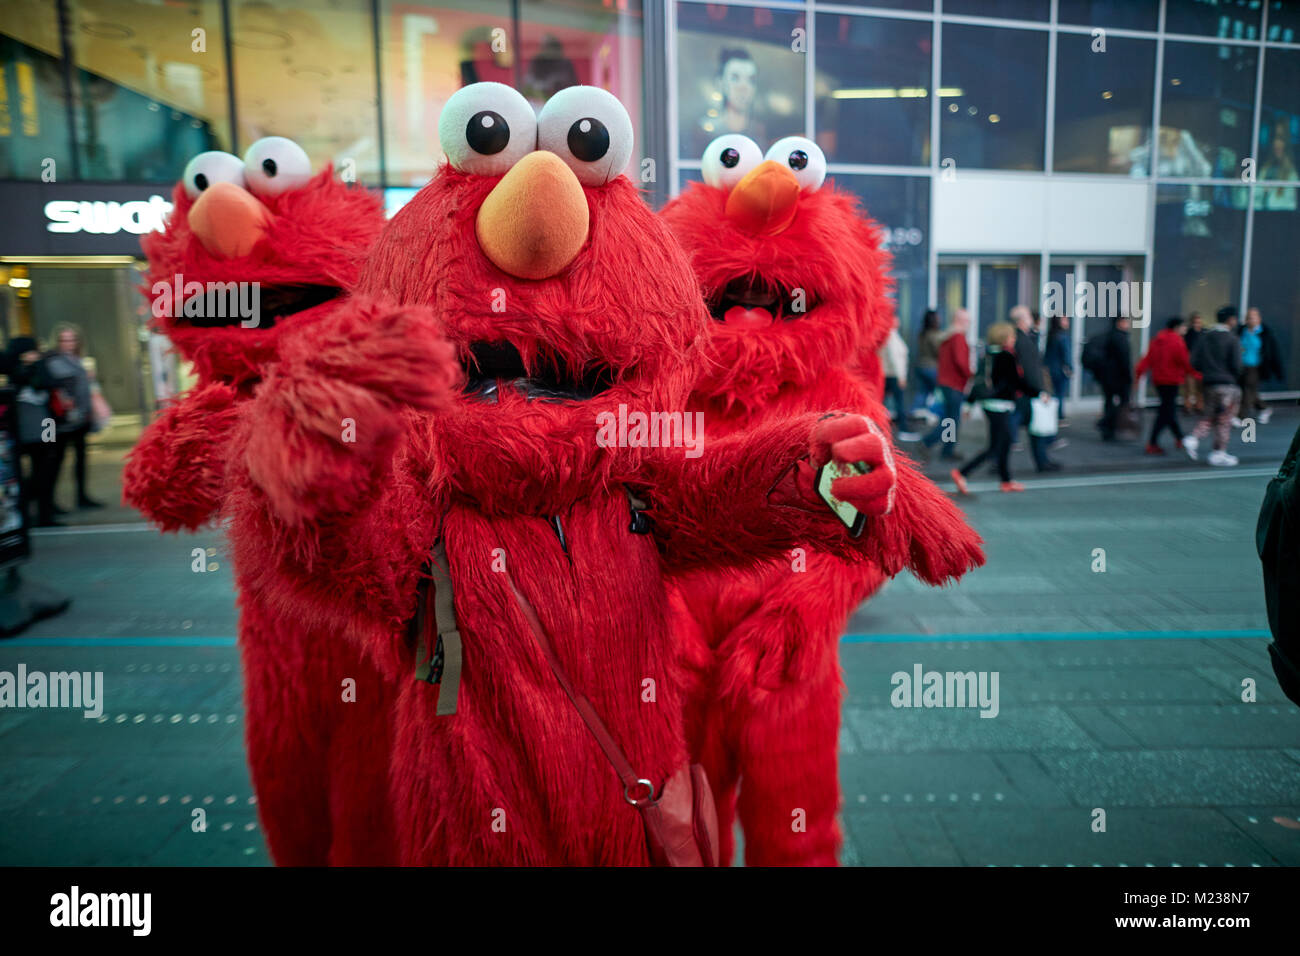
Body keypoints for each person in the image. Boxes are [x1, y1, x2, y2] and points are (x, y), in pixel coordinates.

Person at [952, 322, 1046, 494]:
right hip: (1000, 406)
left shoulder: (987, 356)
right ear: (1005, 338)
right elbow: (1016, 383)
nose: (1014, 339)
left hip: (989, 405)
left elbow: (977, 382)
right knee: (996, 446)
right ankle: (962, 473)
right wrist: (1038, 393)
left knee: (1005, 441)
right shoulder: (1007, 357)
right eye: (1011, 336)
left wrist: (969, 404)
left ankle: (1006, 480)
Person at [44, 324, 102, 510]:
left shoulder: (78, 359)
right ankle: (47, 503)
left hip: (79, 418)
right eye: (64, 340)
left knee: (80, 459)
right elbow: (61, 388)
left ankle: (81, 497)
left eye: (72, 339)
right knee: (53, 461)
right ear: (57, 341)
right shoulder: (53, 360)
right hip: (57, 421)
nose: (69, 343)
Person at [4, 336, 60, 526]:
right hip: (25, 427)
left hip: (47, 423)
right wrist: (25, 368)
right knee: (29, 471)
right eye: (29, 351)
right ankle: (26, 506)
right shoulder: (14, 370)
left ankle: (46, 510)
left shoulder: (41, 366)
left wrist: (36, 365)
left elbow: (47, 383)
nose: (34, 354)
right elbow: (18, 382)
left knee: (48, 466)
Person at [1135, 316, 1199, 457]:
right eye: (1183, 326)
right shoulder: (1177, 342)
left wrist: (1138, 376)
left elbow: (1147, 360)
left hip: (1159, 381)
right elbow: (1185, 362)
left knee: (1167, 410)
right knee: (1166, 412)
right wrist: (1197, 374)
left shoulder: (1157, 340)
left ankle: (1179, 438)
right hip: (1172, 381)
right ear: (1176, 327)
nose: (1185, 329)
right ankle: (1154, 443)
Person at [1188, 305, 1243, 466]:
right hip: (1226, 384)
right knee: (1224, 419)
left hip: (1209, 382)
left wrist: (1208, 370)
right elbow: (1237, 365)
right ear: (1231, 319)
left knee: (1210, 414)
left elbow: (1194, 361)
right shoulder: (1232, 339)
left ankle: (1194, 438)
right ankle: (1218, 452)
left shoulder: (1205, 337)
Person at [1010, 304, 1060, 470]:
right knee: (1031, 426)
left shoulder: (1022, 338)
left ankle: (1042, 459)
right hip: (1027, 391)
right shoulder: (1023, 340)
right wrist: (1041, 390)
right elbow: (1031, 368)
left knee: (1030, 425)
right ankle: (1042, 460)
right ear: (1022, 321)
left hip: (1024, 390)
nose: (1032, 320)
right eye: (1029, 318)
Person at [920, 308, 972, 461]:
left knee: (950, 418)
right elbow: (961, 362)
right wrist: (970, 375)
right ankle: (932, 444)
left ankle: (944, 449)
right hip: (954, 383)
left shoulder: (947, 337)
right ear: (961, 321)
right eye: (967, 320)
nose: (969, 324)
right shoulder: (958, 337)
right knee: (952, 419)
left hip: (946, 382)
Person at [1237, 307, 1283, 426]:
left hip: (1256, 366)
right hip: (1242, 365)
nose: (1250, 320)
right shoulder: (1242, 331)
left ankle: (1240, 417)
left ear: (1259, 319)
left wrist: (1278, 371)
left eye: (1253, 317)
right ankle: (1264, 408)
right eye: (1248, 317)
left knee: (1247, 389)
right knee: (1249, 391)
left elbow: (1273, 352)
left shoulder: (1265, 333)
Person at [1096, 316, 1133, 442]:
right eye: (1126, 322)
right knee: (1123, 402)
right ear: (1120, 323)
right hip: (1118, 377)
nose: (1128, 324)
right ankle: (1106, 423)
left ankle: (1108, 428)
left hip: (1108, 376)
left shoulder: (1110, 335)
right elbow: (1124, 360)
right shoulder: (1120, 338)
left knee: (1109, 402)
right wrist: (1128, 376)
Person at [880, 325, 915, 439]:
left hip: (889, 373)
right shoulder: (891, 335)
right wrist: (901, 376)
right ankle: (903, 428)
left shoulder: (888, 335)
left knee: (885, 402)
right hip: (894, 374)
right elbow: (895, 357)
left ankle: (883, 426)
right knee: (899, 402)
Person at [911, 309, 943, 422]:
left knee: (923, 391)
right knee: (940, 392)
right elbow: (938, 352)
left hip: (920, 366)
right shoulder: (933, 335)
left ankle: (915, 412)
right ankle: (935, 414)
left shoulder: (922, 333)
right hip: (931, 367)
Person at [1043, 314, 1073, 424]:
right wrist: (1070, 368)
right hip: (1060, 370)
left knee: (1052, 394)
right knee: (1059, 394)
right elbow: (1066, 354)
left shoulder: (1051, 335)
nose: (1067, 322)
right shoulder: (1063, 336)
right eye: (1064, 319)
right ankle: (1059, 416)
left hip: (1050, 369)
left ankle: (1052, 414)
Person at [1183, 312, 1205, 413]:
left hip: (1201, 364)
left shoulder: (1204, 334)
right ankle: (1188, 406)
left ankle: (1199, 406)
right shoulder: (1188, 334)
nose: (1197, 324)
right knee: (1189, 387)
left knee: (1200, 388)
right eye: (1195, 322)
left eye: (1199, 322)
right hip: (1190, 364)